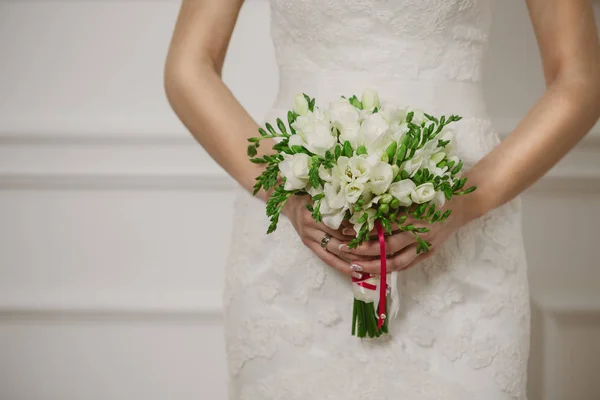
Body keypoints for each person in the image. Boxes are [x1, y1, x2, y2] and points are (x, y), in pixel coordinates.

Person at [164, 1, 600, 398]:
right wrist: (285, 192)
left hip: (466, 229)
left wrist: (466, 202)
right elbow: (189, 66)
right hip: (293, 238)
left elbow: (580, 79)